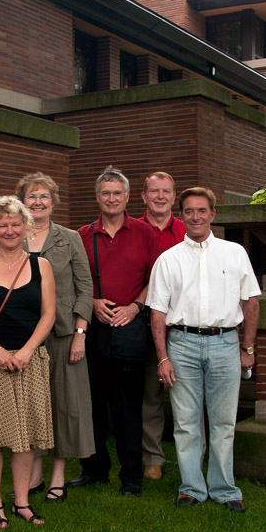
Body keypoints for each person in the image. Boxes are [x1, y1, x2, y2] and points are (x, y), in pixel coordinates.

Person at [146, 187, 261, 512]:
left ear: (212, 214)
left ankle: (225, 489)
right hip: (181, 345)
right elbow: (157, 312)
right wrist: (163, 357)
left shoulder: (234, 253)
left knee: (224, 421)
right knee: (186, 422)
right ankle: (192, 487)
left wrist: (247, 347)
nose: (195, 217)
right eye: (189, 211)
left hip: (225, 343)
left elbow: (251, 300)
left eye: (202, 211)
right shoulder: (168, 260)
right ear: (181, 216)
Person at [0, 196, 56, 529]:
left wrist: (28, 350)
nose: (9, 229)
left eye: (16, 224)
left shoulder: (40, 266)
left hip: (31, 360)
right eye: (2, 224)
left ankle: (22, 502)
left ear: (26, 228)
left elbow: (48, 314)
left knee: (26, 434)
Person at [73, 167, 159, 496]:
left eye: (117, 193)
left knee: (128, 408)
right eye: (105, 193)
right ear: (97, 197)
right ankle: (94, 469)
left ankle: (132, 477)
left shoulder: (144, 233)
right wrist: (92, 302)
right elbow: (73, 281)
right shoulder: (82, 235)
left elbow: (156, 280)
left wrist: (135, 307)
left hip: (130, 328)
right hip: (93, 329)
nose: (111, 198)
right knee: (92, 404)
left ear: (126, 198)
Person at [16, 173, 94, 502]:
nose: (37, 202)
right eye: (31, 196)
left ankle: (58, 475)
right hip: (23, 337)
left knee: (65, 404)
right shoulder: (12, 235)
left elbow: (85, 288)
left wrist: (80, 334)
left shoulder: (69, 238)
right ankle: (33, 473)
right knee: (31, 406)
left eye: (43, 196)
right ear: (22, 201)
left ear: (53, 201)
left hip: (63, 334)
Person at [138, 171, 186, 481]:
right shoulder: (133, 230)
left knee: (187, 396)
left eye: (166, 191)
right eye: (154, 191)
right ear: (143, 196)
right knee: (150, 395)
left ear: (173, 196)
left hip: (183, 325)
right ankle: (153, 456)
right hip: (146, 323)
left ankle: (193, 456)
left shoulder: (188, 229)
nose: (160, 196)